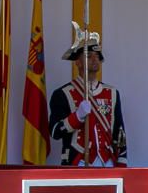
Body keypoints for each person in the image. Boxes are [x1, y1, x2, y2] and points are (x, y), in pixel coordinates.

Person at [49, 30, 127, 166]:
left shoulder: (112, 93)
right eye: (89, 56)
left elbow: (119, 132)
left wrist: (121, 163)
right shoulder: (62, 94)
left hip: (107, 162)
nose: (94, 59)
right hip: (78, 160)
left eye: (97, 56)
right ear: (77, 63)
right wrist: (77, 117)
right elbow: (55, 131)